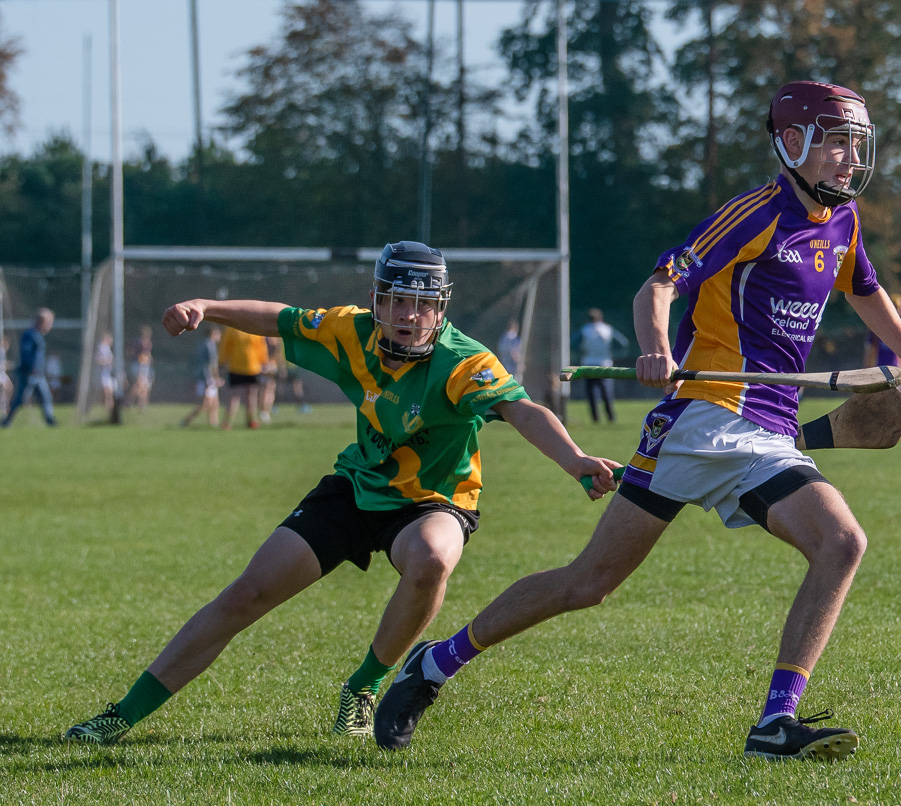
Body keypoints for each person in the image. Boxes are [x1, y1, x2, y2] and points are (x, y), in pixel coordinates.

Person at [373, 82, 901, 761]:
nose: (846, 157)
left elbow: (862, 288)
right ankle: (433, 666)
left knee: (835, 544)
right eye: (833, 141)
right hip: (700, 419)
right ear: (793, 142)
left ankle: (775, 723)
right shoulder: (753, 214)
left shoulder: (843, 220)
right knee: (587, 584)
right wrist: (656, 348)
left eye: (853, 143)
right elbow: (659, 283)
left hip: (762, 432)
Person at [65, 241, 618, 745]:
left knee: (430, 559)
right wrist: (206, 307)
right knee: (246, 596)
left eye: (422, 305)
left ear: (441, 309)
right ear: (376, 300)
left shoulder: (466, 361)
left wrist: (575, 461)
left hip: (434, 499)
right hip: (357, 486)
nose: (408, 316)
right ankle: (121, 715)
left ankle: (364, 687)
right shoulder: (349, 330)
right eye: (397, 301)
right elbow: (276, 318)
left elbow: (524, 410)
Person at [2, 308, 57, 428]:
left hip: (38, 374)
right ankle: (7, 421)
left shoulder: (38, 335)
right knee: (21, 399)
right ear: (42, 321)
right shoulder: (30, 334)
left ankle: (49, 419)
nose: (50, 325)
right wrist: (31, 367)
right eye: (49, 322)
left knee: (46, 396)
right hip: (28, 374)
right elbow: (26, 353)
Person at [574, 308, 630, 423]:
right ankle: (611, 416)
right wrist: (615, 353)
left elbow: (572, 342)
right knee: (607, 391)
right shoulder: (608, 329)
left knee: (592, 392)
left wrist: (580, 351)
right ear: (601, 317)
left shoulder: (585, 330)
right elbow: (623, 343)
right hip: (605, 363)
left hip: (588, 364)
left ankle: (595, 418)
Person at [217, 325, 269, 429]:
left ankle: (251, 420)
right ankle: (227, 422)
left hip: (253, 367)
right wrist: (221, 361)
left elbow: (261, 346)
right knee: (234, 395)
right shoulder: (232, 328)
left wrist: (264, 361)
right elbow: (225, 345)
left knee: (251, 395)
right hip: (236, 367)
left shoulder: (255, 328)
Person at [180, 327, 223, 428]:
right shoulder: (209, 345)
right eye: (218, 334)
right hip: (207, 378)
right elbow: (212, 364)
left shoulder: (203, 344)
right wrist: (216, 378)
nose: (220, 336)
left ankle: (213, 423)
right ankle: (186, 420)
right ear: (213, 333)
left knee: (215, 403)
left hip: (204, 377)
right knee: (205, 404)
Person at [863, 292, 901, 371]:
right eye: (893, 307)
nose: (896, 311)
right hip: (879, 367)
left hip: (896, 368)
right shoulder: (877, 325)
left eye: (898, 308)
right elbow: (872, 348)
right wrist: (867, 368)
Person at [129, 325, 155, 410]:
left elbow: (148, 355)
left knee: (145, 386)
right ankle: (129, 401)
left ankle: (141, 404)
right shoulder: (138, 342)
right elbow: (136, 354)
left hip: (146, 366)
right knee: (138, 385)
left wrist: (150, 360)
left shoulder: (148, 342)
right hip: (139, 365)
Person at [95, 333, 116, 418]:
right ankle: (109, 411)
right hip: (103, 374)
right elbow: (98, 359)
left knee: (109, 393)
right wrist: (107, 361)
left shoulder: (107, 348)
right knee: (108, 393)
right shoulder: (102, 348)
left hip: (108, 373)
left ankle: (109, 410)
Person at [0, 334, 11, 418]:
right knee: (4, 387)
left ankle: (5, 405)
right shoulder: (1, 351)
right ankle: (3, 405)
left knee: (10, 387)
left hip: (2, 373)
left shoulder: (3, 352)